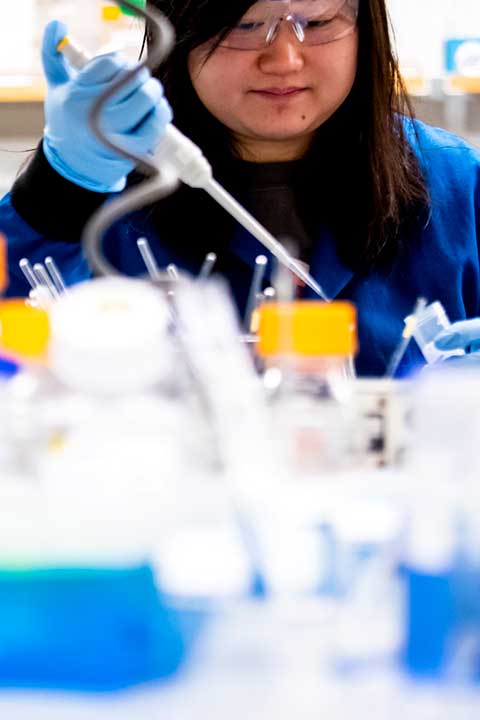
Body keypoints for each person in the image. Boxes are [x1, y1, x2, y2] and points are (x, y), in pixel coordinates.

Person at [1, 0, 480, 376]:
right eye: (245, 25)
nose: (285, 60)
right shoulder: (96, 187)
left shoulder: (455, 180)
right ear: (180, 27)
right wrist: (59, 186)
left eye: (317, 21)